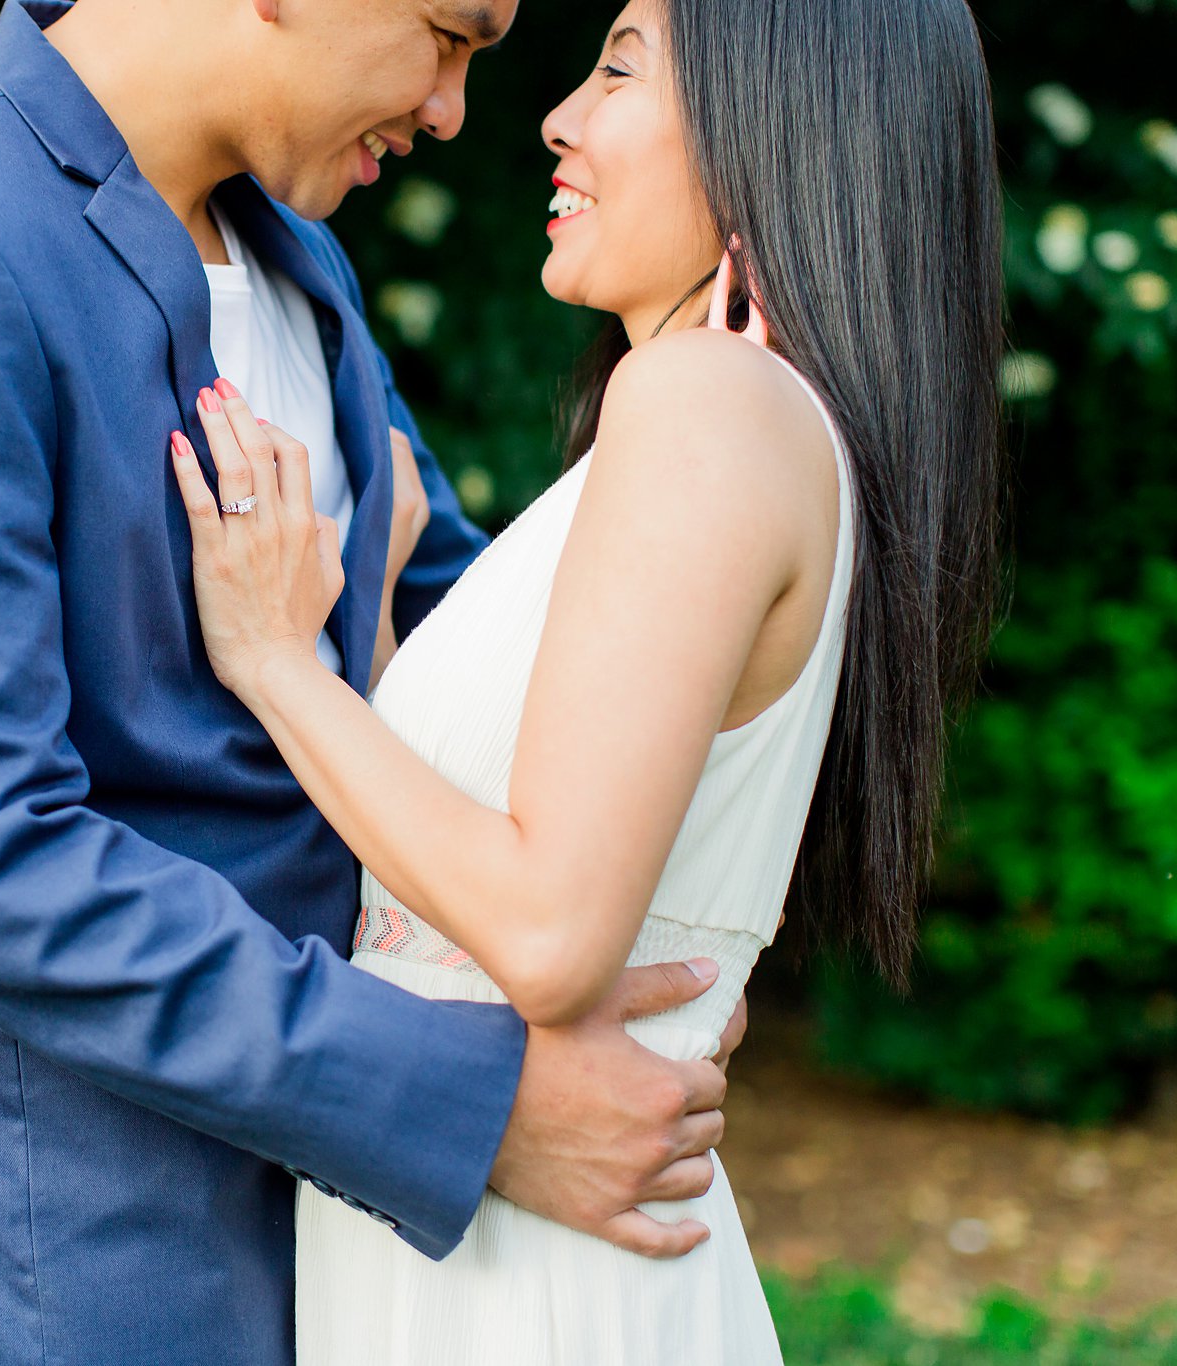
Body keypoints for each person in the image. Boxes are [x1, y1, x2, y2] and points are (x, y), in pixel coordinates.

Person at [0, 1, 751, 1361]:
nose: (452, 109)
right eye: (450, 34)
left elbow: (480, 648)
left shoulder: (294, 254)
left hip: (356, 1285)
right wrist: (470, 1104)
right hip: (57, 1290)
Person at [168, 0, 1005, 1359]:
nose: (555, 117)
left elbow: (552, 935)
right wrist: (370, 626)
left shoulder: (706, 408)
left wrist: (274, 664)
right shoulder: (723, 426)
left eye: (619, 68)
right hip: (490, 1234)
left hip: (533, 1270)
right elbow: (463, 861)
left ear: (775, 128)